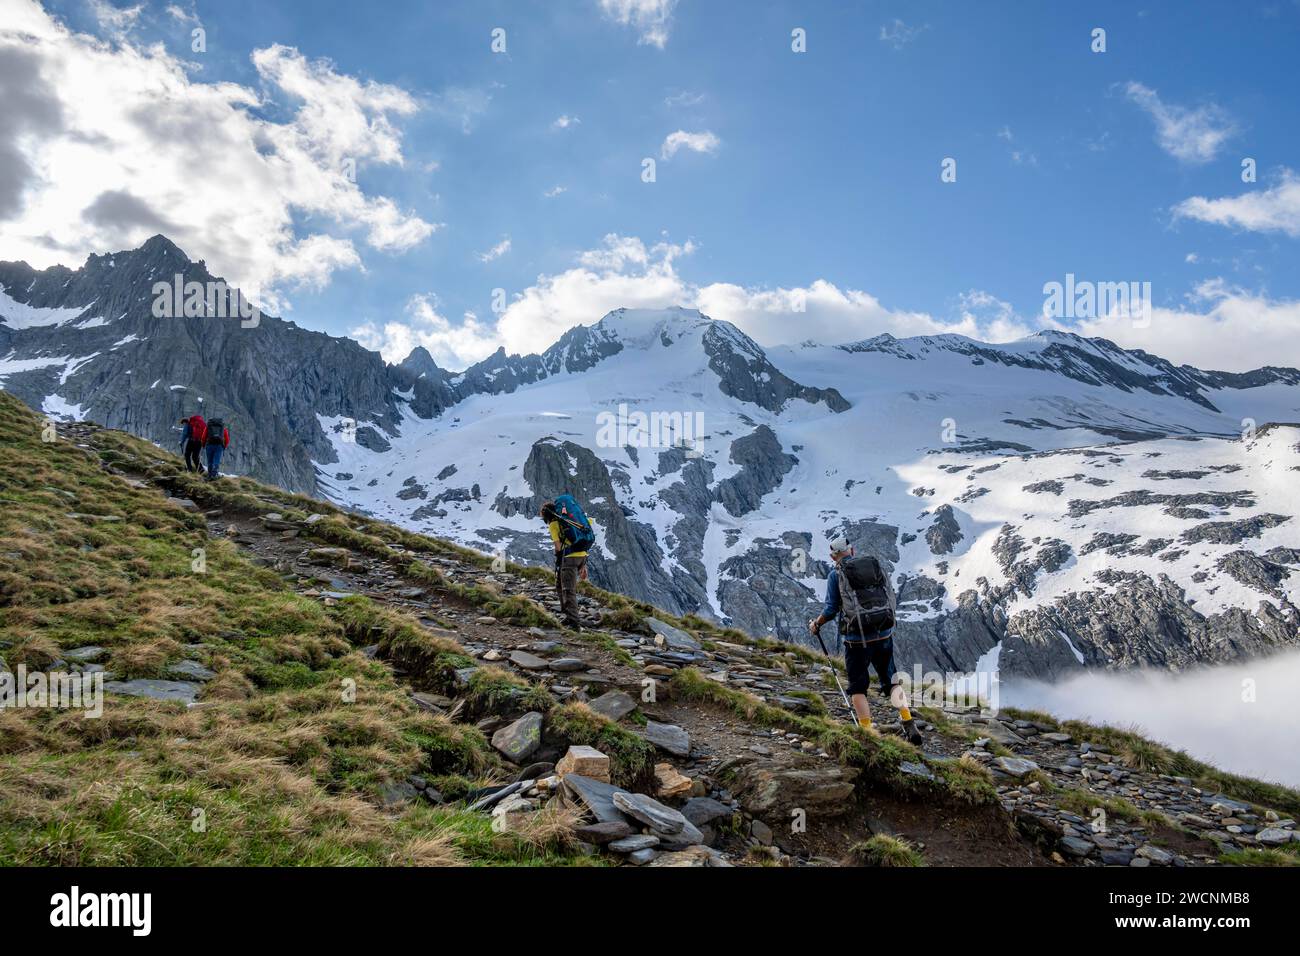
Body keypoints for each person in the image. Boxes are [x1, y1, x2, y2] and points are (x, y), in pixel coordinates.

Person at [809, 535, 923, 745]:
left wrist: (817, 624)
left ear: (833, 557)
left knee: (858, 687)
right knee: (891, 681)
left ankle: (867, 731)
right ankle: (908, 722)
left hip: (856, 640)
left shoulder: (837, 575)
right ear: (852, 551)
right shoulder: (873, 566)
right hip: (883, 633)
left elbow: (832, 609)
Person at [541, 494, 596, 631]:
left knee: (568, 590)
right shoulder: (574, 520)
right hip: (582, 555)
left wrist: (559, 560)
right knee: (559, 585)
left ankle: (574, 624)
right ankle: (567, 615)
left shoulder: (554, 524)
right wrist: (584, 564)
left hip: (569, 558)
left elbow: (558, 547)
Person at [203, 416, 229, 481]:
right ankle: (214, 475)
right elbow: (227, 439)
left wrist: (203, 445)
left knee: (210, 461)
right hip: (219, 446)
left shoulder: (208, 427)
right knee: (216, 461)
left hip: (209, 445)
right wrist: (224, 447)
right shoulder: (222, 428)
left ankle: (209, 475)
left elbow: (203, 436)